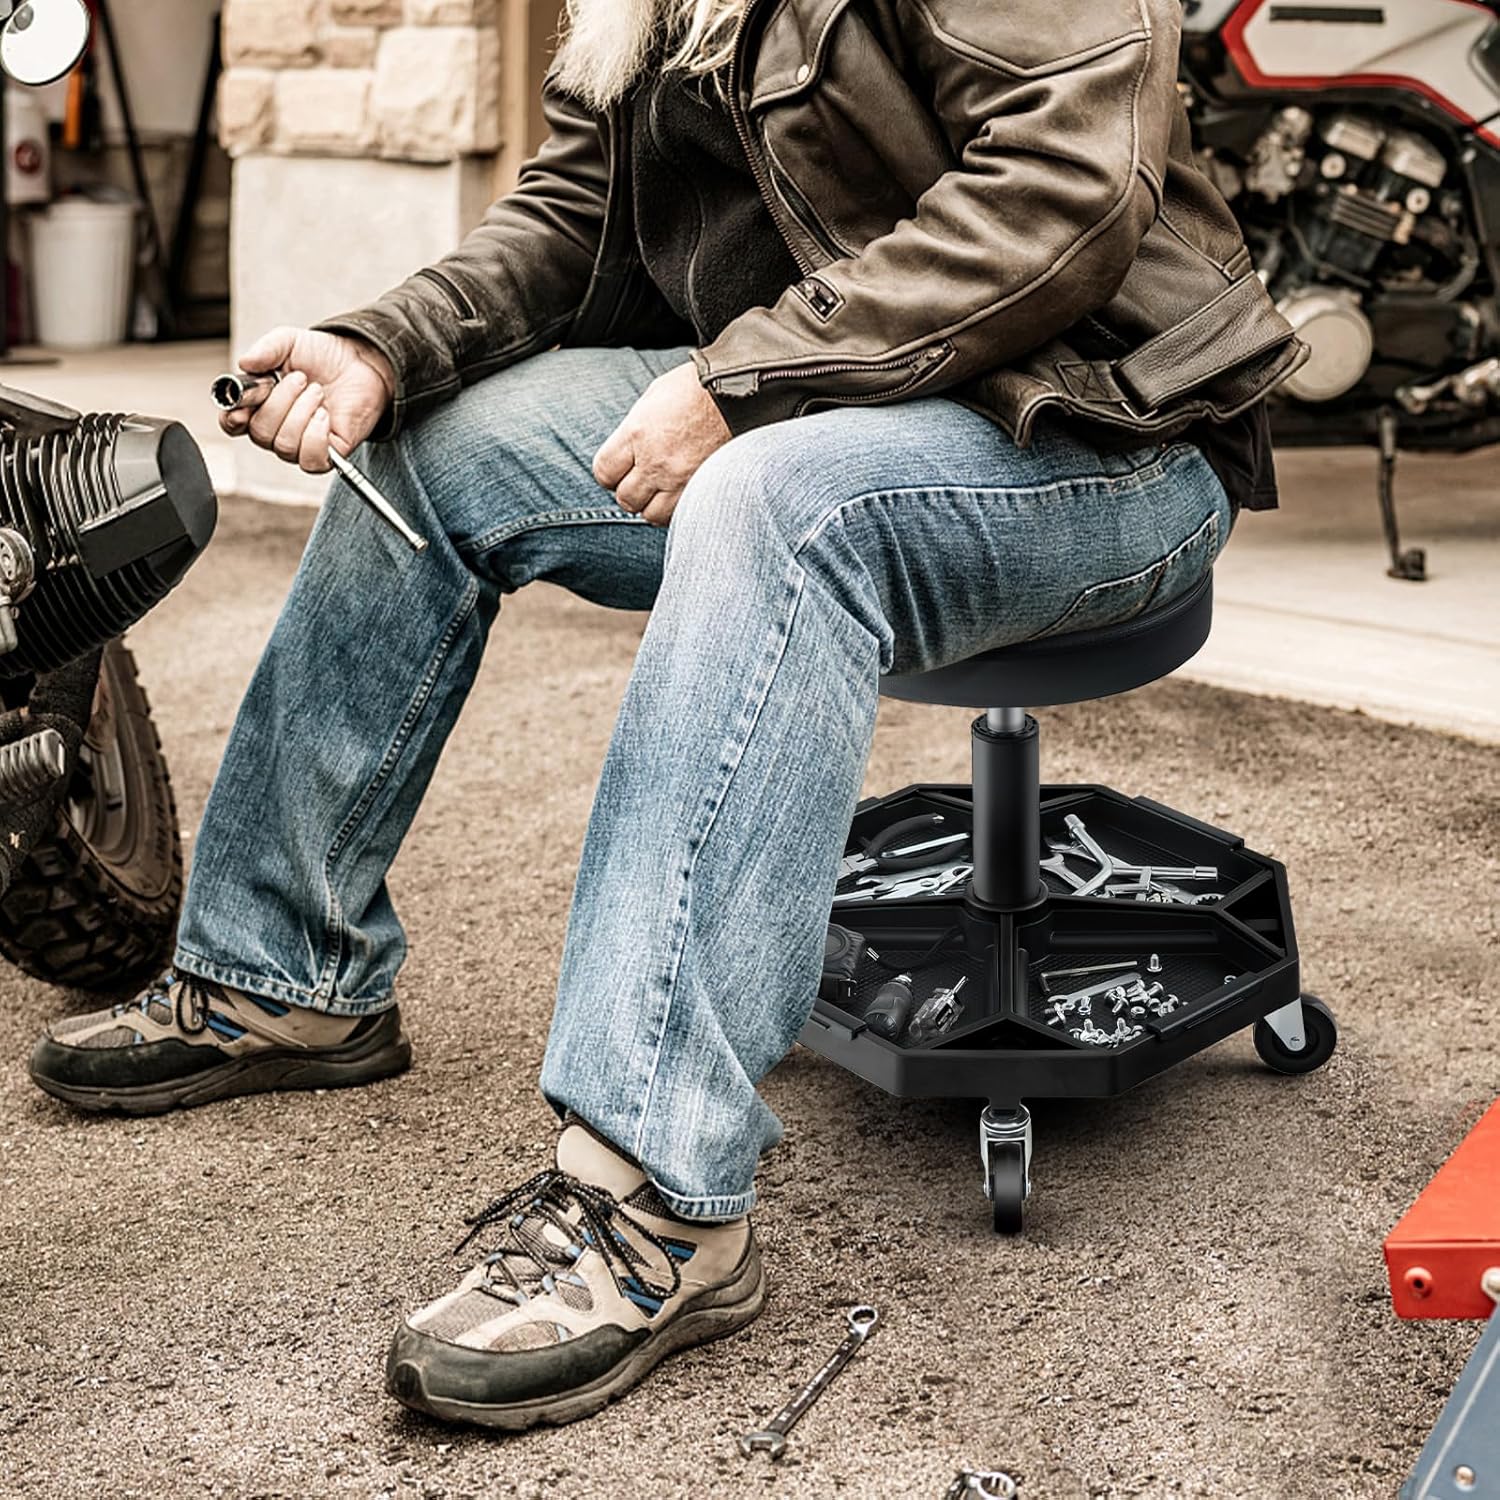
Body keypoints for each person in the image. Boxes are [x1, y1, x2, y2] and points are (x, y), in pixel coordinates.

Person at [28, 0, 1303, 1430]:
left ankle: (655, 1198)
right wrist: (383, 345)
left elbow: (1067, 187)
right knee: (441, 447)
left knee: (773, 500)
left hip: (1101, 428)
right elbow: (580, 211)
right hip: (836, 392)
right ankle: (283, 968)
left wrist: (744, 383)